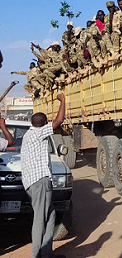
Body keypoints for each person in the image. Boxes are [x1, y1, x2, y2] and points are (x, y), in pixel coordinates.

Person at [21, 93, 65, 258]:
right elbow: (59, 120)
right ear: (43, 125)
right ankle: (36, 254)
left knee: (50, 213)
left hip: (32, 183)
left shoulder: (28, 135)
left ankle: (46, 252)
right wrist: (63, 101)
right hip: (40, 182)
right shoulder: (38, 133)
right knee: (40, 218)